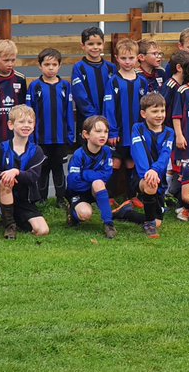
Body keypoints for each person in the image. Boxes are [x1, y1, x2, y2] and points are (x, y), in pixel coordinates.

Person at [0, 105, 48, 239]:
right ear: (11, 125)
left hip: (25, 199)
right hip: (3, 193)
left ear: (34, 126)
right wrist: (7, 175)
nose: (26, 125)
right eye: (22, 122)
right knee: (7, 180)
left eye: (30, 122)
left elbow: (33, 176)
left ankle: (13, 218)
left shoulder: (36, 151)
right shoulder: (0, 149)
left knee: (42, 231)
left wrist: (16, 172)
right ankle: (10, 226)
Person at [26, 48, 75, 207]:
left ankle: (61, 198)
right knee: (43, 168)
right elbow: (29, 113)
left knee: (58, 168)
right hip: (41, 138)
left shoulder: (65, 86)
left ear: (59, 66)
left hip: (60, 138)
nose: (51, 68)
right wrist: (31, 137)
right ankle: (42, 199)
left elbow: (69, 111)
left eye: (54, 64)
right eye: (47, 64)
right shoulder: (35, 86)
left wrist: (70, 133)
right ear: (40, 66)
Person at [106, 38, 147, 196]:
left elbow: (146, 108)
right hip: (119, 132)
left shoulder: (142, 82)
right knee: (115, 162)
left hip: (136, 131)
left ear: (138, 58)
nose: (127, 62)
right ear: (117, 58)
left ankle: (132, 196)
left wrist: (145, 129)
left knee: (132, 162)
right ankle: (109, 196)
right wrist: (112, 131)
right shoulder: (113, 81)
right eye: (123, 58)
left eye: (131, 58)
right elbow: (109, 108)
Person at [65, 115, 118, 239]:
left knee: (98, 183)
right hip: (79, 192)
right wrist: (93, 180)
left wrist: (85, 174)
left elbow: (107, 175)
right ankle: (72, 212)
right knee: (85, 214)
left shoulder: (107, 151)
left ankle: (109, 224)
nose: (103, 135)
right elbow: (73, 182)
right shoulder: (78, 155)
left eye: (105, 132)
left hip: (97, 189)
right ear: (86, 134)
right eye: (98, 131)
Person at [131, 92, 175, 237]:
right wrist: (147, 173)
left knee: (158, 222)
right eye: (155, 111)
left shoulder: (169, 132)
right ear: (144, 114)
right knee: (150, 184)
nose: (160, 115)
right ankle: (149, 226)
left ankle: (125, 213)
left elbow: (165, 155)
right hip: (142, 177)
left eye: (162, 111)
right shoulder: (138, 128)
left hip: (158, 177)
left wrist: (155, 170)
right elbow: (138, 153)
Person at [71, 26, 114, 126]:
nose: (95, 47)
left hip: (108, 120)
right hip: (88, 121)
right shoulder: (79, 68)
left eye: (99, 43)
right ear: (83, 46)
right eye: (90, 44)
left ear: (103, 44)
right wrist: (93, 117)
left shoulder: (111, 68)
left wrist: (107, 116)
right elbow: (80, 96)